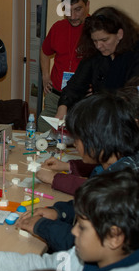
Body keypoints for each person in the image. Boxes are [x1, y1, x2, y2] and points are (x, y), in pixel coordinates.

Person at [0, 168, 139, 271]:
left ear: (114, 237)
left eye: (83, 227)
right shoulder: (81, 259)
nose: (73, 231)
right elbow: (42, 267)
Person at [19, 93, 139, 252]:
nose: (74, 144)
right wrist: (58, 211)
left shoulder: (118, 184)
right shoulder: (115, 167)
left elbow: (80, 243)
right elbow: (88, 204)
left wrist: (40, 225)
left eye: (78, 137)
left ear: (97, 139)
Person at [56, 6, 139, 120]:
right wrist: (63, 106)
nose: (99, 46)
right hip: (100, 118)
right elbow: (76, 85)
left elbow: (132, 96)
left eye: (104, 40)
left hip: (125, 119)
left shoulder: (135, 55)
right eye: (95, 41)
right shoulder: (94, 53)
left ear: (120, 34)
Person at [37, 0, 90, 132]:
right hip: (55, 97)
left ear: (88, 5)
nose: (72, 16)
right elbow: (44, 51)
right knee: (42, 134)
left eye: (78, 9)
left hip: (82, 100)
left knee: (79, 143)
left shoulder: (95, 30)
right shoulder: (57, 28)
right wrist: (45, 75)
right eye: (67, 10)